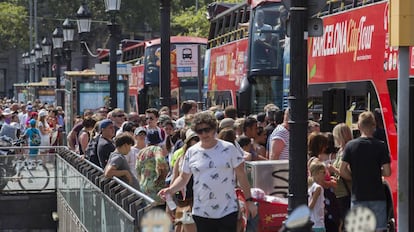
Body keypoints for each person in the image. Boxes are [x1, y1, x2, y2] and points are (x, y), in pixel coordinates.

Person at [158, 111, 257, 232]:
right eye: (200, 131)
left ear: (214, 129)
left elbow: (241, 175)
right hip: (201, 212)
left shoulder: (229, 148)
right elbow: (183, 178)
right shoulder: (191, 152)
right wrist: (170, 190)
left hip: (227, 210)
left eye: (207, 129)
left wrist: (249, 201)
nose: (204, 133)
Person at [340, 111, 391, 232]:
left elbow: (342, 170)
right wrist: (377, 172)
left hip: (358, 195)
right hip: (377, 195)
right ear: (374, 126)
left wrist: (353, 176)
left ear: (359, 126)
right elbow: (387, 172)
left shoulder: (351, 146)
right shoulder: (380, 146)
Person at [330, 123, 353, 231]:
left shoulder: (348, 151)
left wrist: (334, 170)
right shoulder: (340, 151)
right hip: (338, 192)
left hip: (345, 193)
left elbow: (349, 176)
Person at [136, 130, 169, 206]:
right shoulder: (157, 149)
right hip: (156, 186)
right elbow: (161, 161)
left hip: (144, 186)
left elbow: (137, 169)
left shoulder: (141, 152)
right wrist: (163, 175)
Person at [308, 161, 326, 232]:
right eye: (323, 172)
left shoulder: (310, 187)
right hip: (317, 223)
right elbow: (311, 205)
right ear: (317, 173)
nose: (325, 174)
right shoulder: (318, 188)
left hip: (312, 222)